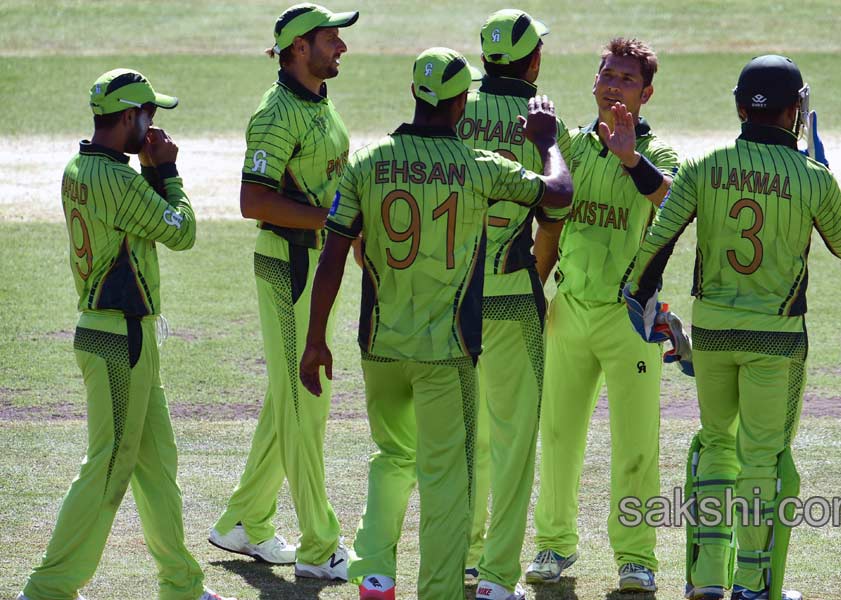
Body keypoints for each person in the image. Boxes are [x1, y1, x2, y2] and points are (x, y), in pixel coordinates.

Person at [299, 47, 572, 600]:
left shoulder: (368, 161)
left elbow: (333, 255)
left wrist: (315, 339)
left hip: (379, 347)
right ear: (459, 101)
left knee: (391, 457)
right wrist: (547, 144)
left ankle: (374, 573)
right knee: (450, 482)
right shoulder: (477, 167)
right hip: (445, 355)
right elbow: (558, 193)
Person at [623, 55, 841, 600]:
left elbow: (659, 239)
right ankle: (753, 585)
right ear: (795, 110)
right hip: (776, 339)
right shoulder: (810, 177)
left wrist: (640, 300)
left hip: (713, 334)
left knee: (714, 445)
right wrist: (826, 176)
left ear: (738, 107)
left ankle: (707, 579)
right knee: (762, 458)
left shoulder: (705, 164)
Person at [18, 69, 234, 600]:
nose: (154, 125)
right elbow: (181, 231)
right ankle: (47, 590)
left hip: (119, 335)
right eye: (149, 115)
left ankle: (181, 586)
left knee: (157, 468)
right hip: (120, 340)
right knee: (107, 469)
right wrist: (169, 171)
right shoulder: (118, 179)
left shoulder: (80, 166)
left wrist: (149, 170)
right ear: (126, 118)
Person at [526, 37, 681, 595]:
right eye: (607, 75)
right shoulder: (569, 144)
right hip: (568, 312)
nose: (613, 85)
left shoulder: (658, 153)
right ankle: (553, 543)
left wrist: (628, 157)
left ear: (646, 93)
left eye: (626, 79)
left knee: (636, 445)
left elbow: (671, 201)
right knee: (558, 435)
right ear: (595, 82)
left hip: (630, 319)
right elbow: (547, 207)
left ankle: (636, 557)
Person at [208, 3, 357, 580]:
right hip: (288, 267)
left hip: (317, 269)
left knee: (288, 405)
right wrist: (330, 220)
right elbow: (254, 201)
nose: (341, 47)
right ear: (299, 47)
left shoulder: (317, 102)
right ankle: (321, 547)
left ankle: (244, 521)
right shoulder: (275, 116)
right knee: (304, 405)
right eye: (331, 39)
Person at [455, 9, 571, 600]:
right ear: (531, 61)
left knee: (459, 439)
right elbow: (555, 212)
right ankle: (499, 577)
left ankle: (463, 562)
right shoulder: (543, 121)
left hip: (451, 305)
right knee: (514, 446)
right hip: (511, 295)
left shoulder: (455, 109)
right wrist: (537, 273)